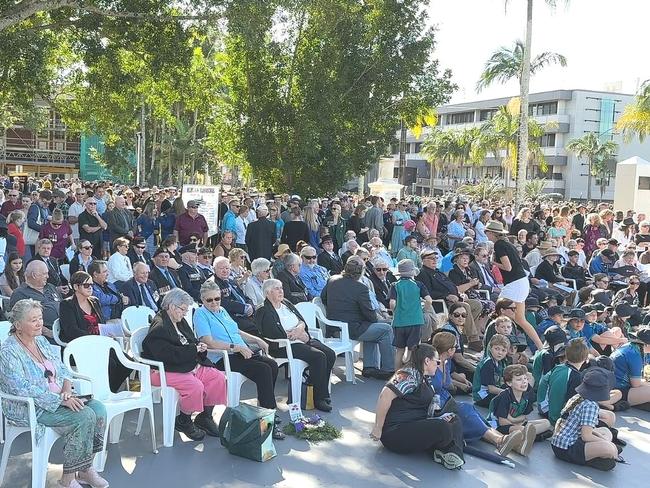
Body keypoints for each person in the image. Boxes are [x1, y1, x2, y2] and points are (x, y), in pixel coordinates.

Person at [0, 299, 110, 488]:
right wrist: (59, 399)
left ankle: (84, 469)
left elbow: (62, 370)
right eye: (33, 320)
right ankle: (67, 480)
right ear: (18, 325)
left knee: (98, 409)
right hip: (30, 407)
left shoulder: (41, 341)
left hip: (60, 399)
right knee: (83, 416)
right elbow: (20, 388)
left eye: (40, 318)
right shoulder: (8, 351)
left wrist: (67, 389)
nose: (39, 323)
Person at [193, 281, 285, 440]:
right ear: (202, 300)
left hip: (240, 352)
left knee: (271, 364)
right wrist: (235, 347)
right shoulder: (200, 314)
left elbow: (237, 331)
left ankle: (264, 411)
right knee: (263, 370)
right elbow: (208, 341)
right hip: (222, 357)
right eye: (209, 300)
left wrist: (256, 339)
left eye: (217, 298)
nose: (214, 302)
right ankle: (268, 419)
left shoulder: (222, 310)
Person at [142, 289, 227, 440]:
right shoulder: (160, 327)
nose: (185, 313)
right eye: (183, 309)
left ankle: (205, 417)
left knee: (218, 377)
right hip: (162, 371)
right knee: (195, 386)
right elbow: (166, 355)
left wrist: (199, 347)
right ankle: (184, 420)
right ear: (172, 307)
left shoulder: (179, 321)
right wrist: (193, 350)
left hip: (185, 365)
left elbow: (191, 342)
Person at [369, 344, 465, 470]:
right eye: (436, 361)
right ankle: (447, 450)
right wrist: (378, 427)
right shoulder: (408, 375)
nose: (438, 364)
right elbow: (385, 395)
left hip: (414, 424)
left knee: (454, 419)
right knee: (443, 428)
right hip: (395, 432)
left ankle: (451, 453)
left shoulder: (423, 377)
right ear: (427, 361)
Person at [256, 279, 336, 412]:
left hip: (300, 337)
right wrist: (296, 334)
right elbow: (272, 333)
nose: (281, 291)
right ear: (268, 293)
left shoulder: (286, 303)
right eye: (277, 288)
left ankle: (315, 387)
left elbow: (302, 320)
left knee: (330, 354)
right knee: (319, 357)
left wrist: (300, 329)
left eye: (281, 287)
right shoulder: (263, 310)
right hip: (282, 346)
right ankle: (318, 398)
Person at [321, 257, 395, 379]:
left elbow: (323, 298)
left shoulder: (332, 280)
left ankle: (370, 367)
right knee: (386, 329)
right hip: (352, 328)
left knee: (374, 327)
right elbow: (370, 315)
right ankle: (389, 369)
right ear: (361, 272)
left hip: (334, 326)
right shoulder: (361, 288)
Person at [58, 271, 132, 392]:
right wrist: (95, 338)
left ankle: (109, 390)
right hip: (79, 347)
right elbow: (71, 331)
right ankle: (101, 392)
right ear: (76, 287)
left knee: (127, 362)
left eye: (92, 285)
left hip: (99, 344)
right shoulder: (67, 304)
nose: (90, 288)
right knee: (111, 364)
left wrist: (108, 332)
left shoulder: (94, 301)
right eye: (86, 285)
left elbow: (101, 323)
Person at [485, 220, 543, 350]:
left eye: (487, 232)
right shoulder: (507, 244)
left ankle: (497, 347)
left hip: (514, 284)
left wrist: (493, 262)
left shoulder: (499, 245)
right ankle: (539, 347)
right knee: (520, 320)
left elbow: (507, 267)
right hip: (521, 282)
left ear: (491, 233)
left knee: (499, 314)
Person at [550, 368, 620, 471]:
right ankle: (595, 458)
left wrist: (603, 439)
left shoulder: (578, 397)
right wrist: (607, 443)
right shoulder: (590, 406)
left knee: (605, 431)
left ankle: (597, 454)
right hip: (566, 448)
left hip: (561, 441)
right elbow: (586, 436)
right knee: (609, 449)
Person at [417, 248, 483, 352]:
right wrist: (447, 295)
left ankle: (463, 333)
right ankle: (473, 339)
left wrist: (460, 295)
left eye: (436, 258)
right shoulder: (423, 273)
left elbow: (452, 286)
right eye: (431, 258)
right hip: (442, 303)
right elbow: (427, 292)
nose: (434, 260)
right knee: (464, 307)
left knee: (476, 304)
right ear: (423, 260)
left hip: (455, 299)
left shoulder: (438, 272)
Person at [487, 364, 552, 456]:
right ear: (509, 383)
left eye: (525, 379)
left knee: (546, 423)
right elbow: (502, 422)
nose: (524, 382)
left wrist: (514, 420)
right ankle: (528, 436)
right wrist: (518, 423)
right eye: (519, 380)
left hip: (515, 423)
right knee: (522, 429)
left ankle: (527, 435)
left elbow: (524, 417)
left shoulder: (526, 394)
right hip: (498, 426)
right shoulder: (504, 396)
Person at [389, 259, 432, 370]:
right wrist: (423, 310)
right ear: (412, 272)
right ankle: (408, 373)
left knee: (399, 350)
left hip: (399, 321)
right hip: (415, 320)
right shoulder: (418, 284)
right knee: (412, 349)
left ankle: (396, 376)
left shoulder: (395, 285)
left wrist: (396, 312)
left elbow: (392, 303)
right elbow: (429, 300)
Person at [10, 260, 63, 339]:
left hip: (64, 329)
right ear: (34, 275)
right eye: (45, 274)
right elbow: (19, 321)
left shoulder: (50, 287)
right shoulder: (20, 293)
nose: (47, 276)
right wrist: (48, 332)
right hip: (42, 336)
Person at [213, 256, 258, 334]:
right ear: (214, 269)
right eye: (221, 268)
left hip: (247, 314)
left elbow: (244, 297)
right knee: (255, 328)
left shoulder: (231, 281)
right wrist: (243, 308)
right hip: (231, 317)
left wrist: (250, 306)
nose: (225, 271)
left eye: (227, 268)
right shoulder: (213, 284)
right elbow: (222, 303)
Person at [610, 326, 650, 409]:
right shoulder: (634, 354)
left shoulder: (631, 347)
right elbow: (636, 384)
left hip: (616, 387)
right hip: (618, 391)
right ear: (646, 344)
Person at [472, 334, 509, 407]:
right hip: (483, 397)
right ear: (490, 348)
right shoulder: (488, 364)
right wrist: (510, 393)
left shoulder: (499, 362)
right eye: (497, 349)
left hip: (492, 392)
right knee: (509, 400)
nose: (500, 353)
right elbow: (491, 389)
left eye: (503, 350)